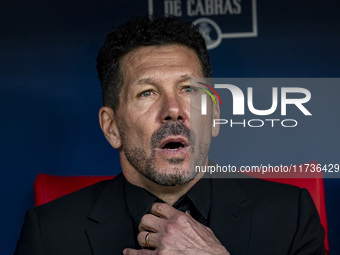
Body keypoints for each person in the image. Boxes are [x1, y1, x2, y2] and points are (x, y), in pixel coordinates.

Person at [14, 15, 325, 255]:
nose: (173, 110)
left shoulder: (291, 216)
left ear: (214, 116)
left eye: (188, 89)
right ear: (112, 127)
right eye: (147, 93)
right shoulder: (51, 234)